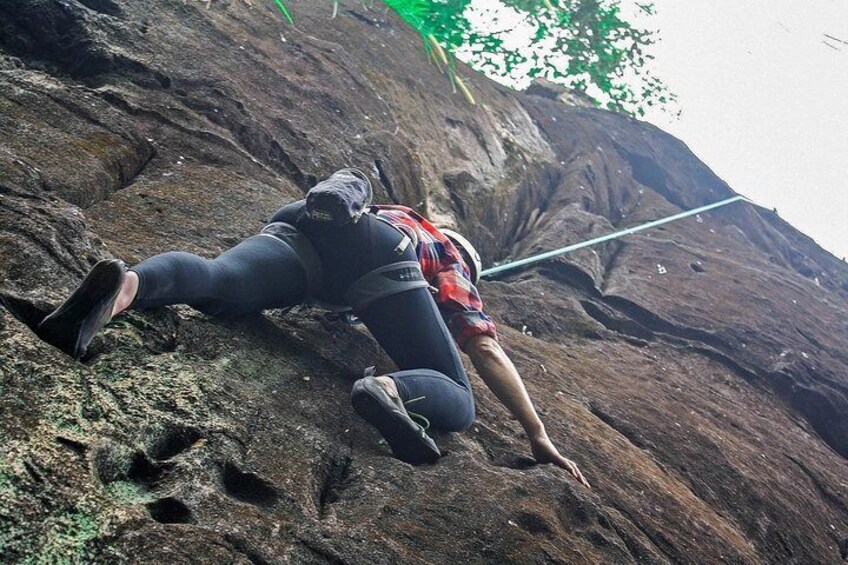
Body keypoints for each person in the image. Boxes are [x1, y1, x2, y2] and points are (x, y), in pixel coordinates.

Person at [38, 169, 588, 487]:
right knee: (460, 402)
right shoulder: (447, 256)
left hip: (300, 225)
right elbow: (484, 346)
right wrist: (537, 435)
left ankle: (122, 291)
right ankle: (392, 390)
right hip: (377, 258)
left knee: (218, 283)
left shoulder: (401, 214)